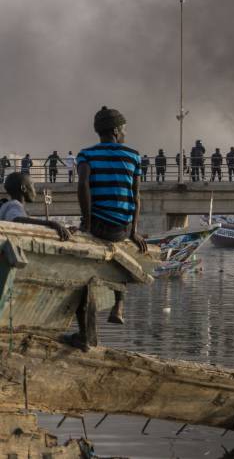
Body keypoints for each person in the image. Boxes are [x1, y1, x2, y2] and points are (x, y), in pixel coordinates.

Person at [76, 105, 146, 346]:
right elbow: (136, 197)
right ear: (116, 131)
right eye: (124, 129)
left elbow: (83, 185)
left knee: (92, 266)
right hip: (121, 228)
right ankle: (119, 304)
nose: (125, 133)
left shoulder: (86, 155)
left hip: (96, 225)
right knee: (122, 248)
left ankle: (87, 328)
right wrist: (134, 231)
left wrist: (86, 222)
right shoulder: (134, 156)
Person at [1, 172, 72, 239]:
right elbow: (17, 219)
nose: (35, 191)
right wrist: (51, 223)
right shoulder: (14, 205)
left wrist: (66, 229)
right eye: (33, 186)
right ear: (23, 188)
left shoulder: (11, 206)